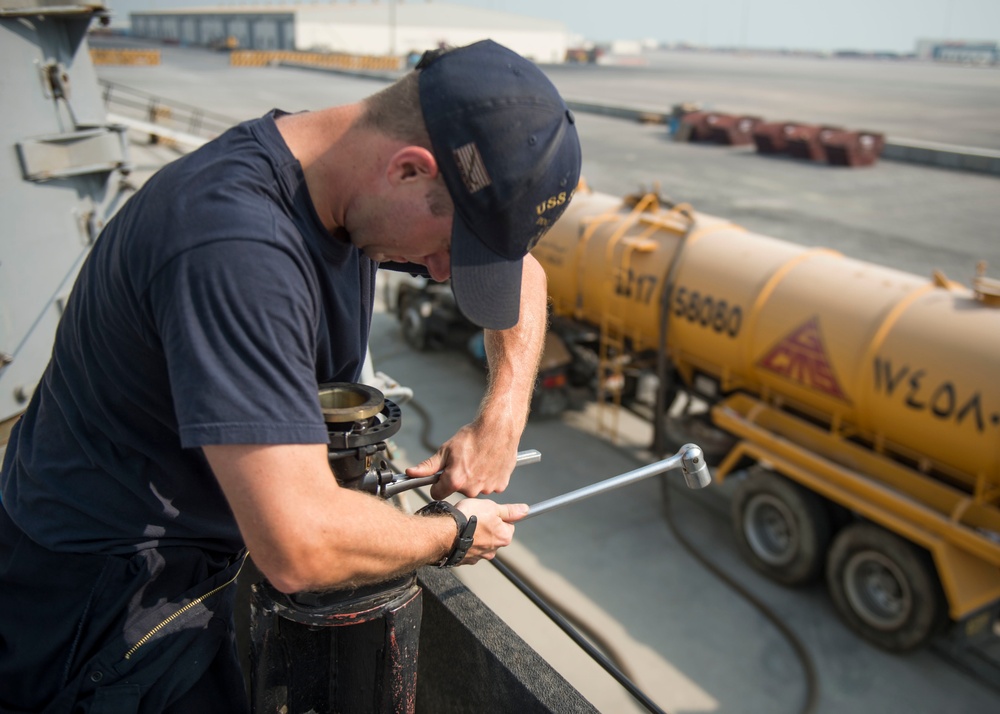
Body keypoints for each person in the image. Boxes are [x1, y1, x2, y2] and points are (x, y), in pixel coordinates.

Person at [0, 39, 581, 712]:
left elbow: (525, 277)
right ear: (409, 170)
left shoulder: (338, 181)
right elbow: (298, 545)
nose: (443, 273)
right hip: (102, 605)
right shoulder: (233, 248)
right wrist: (454, 533)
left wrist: (500, 417)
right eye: (451, 248)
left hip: (198, 553)